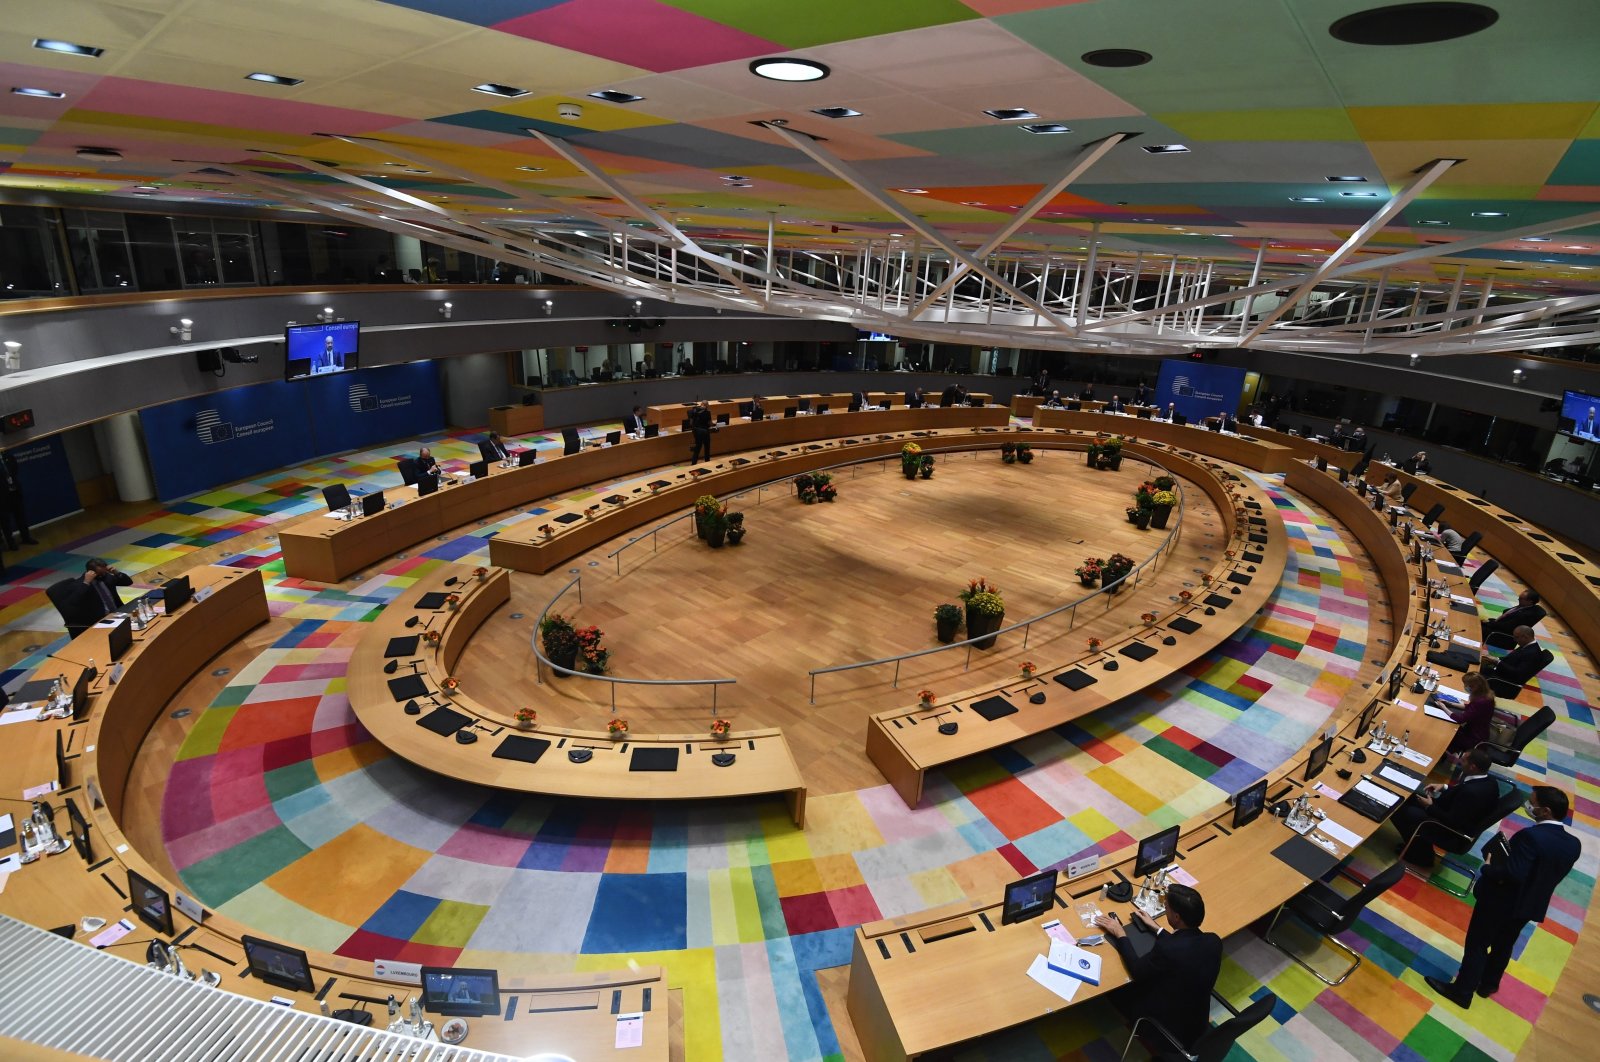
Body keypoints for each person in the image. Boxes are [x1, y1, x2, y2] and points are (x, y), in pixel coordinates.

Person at [1426, 786, 1580, 1007]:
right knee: (1504, 944)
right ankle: (1488, 984)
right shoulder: (1573, 844)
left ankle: (1462, 991)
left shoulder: (1530, 837)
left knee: (1477, 944)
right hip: (1529, 904)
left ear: (1545, 811)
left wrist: (1488, 867)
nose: (1529, 805)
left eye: (1533, 802)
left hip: (1500, 901)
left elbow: (1513, 874)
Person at [1092, 884, 1222, 1050]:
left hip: (1165, 1027)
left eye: (1166, 907)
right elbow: (1184, 947)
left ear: (1176, 917)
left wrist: (1120, 933)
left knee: (1114, 985)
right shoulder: (1213, 941)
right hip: (1197, 1024)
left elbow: (1138, 970)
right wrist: (1157, 928)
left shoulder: (1168, 950)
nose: (1165, 909)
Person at [1390, 748, 1499, 867]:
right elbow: (1462, 793)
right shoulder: (1490, 781)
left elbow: (1452, 821)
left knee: (1397, 809)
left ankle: (1420, 855)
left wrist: (1429, 807)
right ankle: (1416, 846)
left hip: (1450, 831)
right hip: (1453, 811)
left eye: (1463, 761)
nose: (1459, 761)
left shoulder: (1471, 793)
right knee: (1409, 797)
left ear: (1473, 767)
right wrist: (1445, 787)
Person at [56, 558, 133, 634]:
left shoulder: (106, 577)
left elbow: (128, 582)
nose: (103, 576)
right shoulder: (79, 585)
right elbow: (74, 602)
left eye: (104, 572)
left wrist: (116, 573)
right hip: (100, 620)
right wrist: (86, 583)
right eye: (100, 574)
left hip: (118, 613)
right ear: (90, 573)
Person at [1481, 626, 1551, 690]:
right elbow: (1511, 659)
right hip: (1500, 672)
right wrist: (1494, 658)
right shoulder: (1527, 645)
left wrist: (1497, 661)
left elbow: (1517, 674)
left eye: (1516, 637)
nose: (1514, 640)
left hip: (1502, 681)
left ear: (1525, 637)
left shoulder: (1532, 654)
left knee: (1474, 674)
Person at [0, 448, 36, 548]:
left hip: (14, 491)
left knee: (21, 516)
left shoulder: (8, 456)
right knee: (5, 521)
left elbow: (15, 468)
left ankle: (26, 537)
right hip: (2, 495)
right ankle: (11, 543)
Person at [688, 400, 714, 465]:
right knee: (707, 447)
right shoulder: (708, 412)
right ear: (707, 406)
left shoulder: (694, 411)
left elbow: (691, 423)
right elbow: (710, 423)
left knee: (697, 448)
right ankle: (707, 462)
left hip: (696, 431)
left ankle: (693, 464)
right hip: (705, 431)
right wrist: (714, 424)